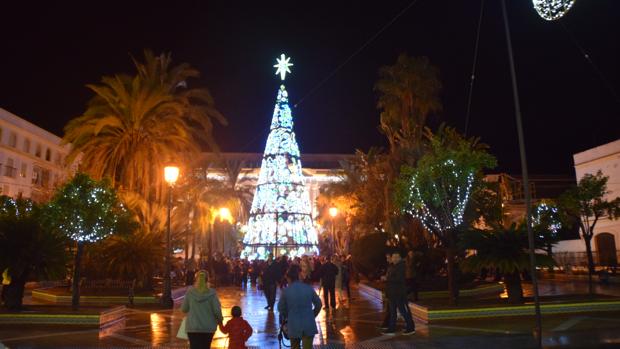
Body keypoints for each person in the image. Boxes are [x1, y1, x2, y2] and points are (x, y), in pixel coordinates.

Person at [278, 265, 322, 349]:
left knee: (294, 346)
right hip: (308, 324)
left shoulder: (286, 291)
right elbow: (318, 304)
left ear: (289, 278)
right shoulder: (308, 288)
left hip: (293, 324)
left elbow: (280, 308)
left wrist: (288, 315)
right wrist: (312, 315)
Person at [181, 270, 224, 348]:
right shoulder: (212, 293)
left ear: (196, 279)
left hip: (193, 327)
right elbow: (217, 310)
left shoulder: (190, 292)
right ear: (207, 280)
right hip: (208, 328)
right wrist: (220, 321)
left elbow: (184, 309)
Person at [381, 252, 415, 336]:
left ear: (400, 258)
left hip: (398, 293)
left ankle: (410, 328)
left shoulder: (401, 266)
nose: (394, 259)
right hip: (392, 293)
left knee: (403, 311)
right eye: (393, 257)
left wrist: (387, 278)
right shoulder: (393, 266)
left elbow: (399, 279)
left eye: (397, 257)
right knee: (393, 312)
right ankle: (391, 329)